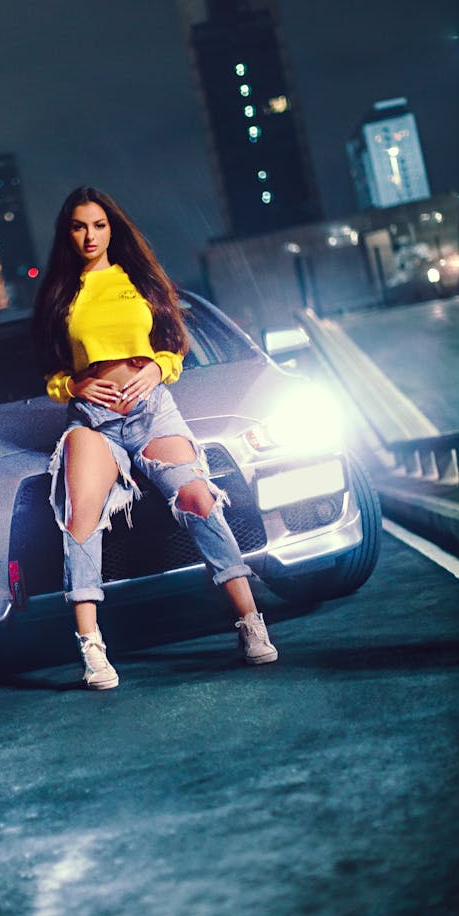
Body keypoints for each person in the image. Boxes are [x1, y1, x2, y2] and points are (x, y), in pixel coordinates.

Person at [31, 186, 278, 690]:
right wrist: (74, 383)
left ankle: (251, 623)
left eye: (98, 225)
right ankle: (93, 649)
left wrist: (158, 370)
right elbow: (50, 374)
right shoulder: (60, 293)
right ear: (67, 233)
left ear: (112, 228)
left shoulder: (137, 279)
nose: (90, 235)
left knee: (198, 497)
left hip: (151, 412)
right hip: (93, 422)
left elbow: (174, 347)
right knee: (79, 516)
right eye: (79, 226)